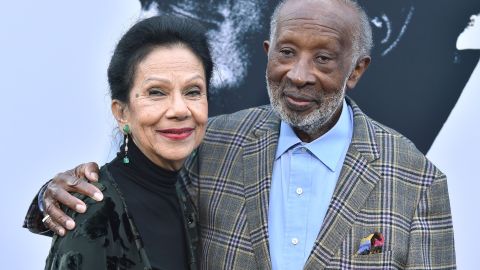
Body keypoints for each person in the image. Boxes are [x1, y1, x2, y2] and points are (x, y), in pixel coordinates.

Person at [24, 0, 455, 269]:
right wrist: (53, 195)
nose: (299, 76)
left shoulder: (417, 183)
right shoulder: (212, 143)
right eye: (286, 53)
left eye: (323, 58)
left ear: (356, 69)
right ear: (268, 54)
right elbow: (133, 203)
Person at [40, 15, 213, 270]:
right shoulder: (95, 215)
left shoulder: (206, 188)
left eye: (193, 92)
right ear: (122, 113)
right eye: (157, 92)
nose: (179, 109)